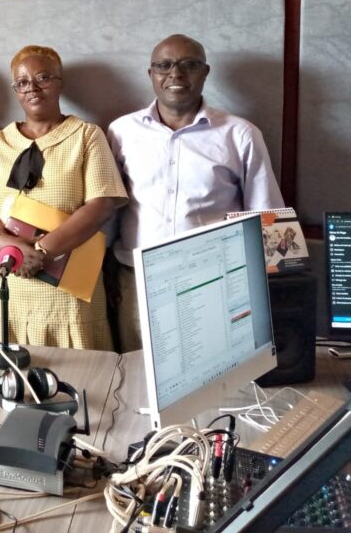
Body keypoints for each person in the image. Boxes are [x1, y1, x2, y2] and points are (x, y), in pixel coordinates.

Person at [107, 34, 283, 352]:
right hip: (138, 281)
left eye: (189, 65)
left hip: (214, 280)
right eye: (164, 65)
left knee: (215, 380)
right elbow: (107, 209)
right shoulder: (121, 132)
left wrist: (269, 293)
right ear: (151, 74)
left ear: (205, 72)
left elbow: (266, 216)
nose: (176, 74)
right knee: (136, 377)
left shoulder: (240, 133)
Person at [0, 45, 127, 350]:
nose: (32, 88)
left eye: (43, 78)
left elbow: (102, 204)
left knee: (74, 380)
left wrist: (42, 251)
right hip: (5, 279)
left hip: (65, 288)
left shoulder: (86, 135)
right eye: (22, 82)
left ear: (60, 82)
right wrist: (6, 244)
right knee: (4, 378)